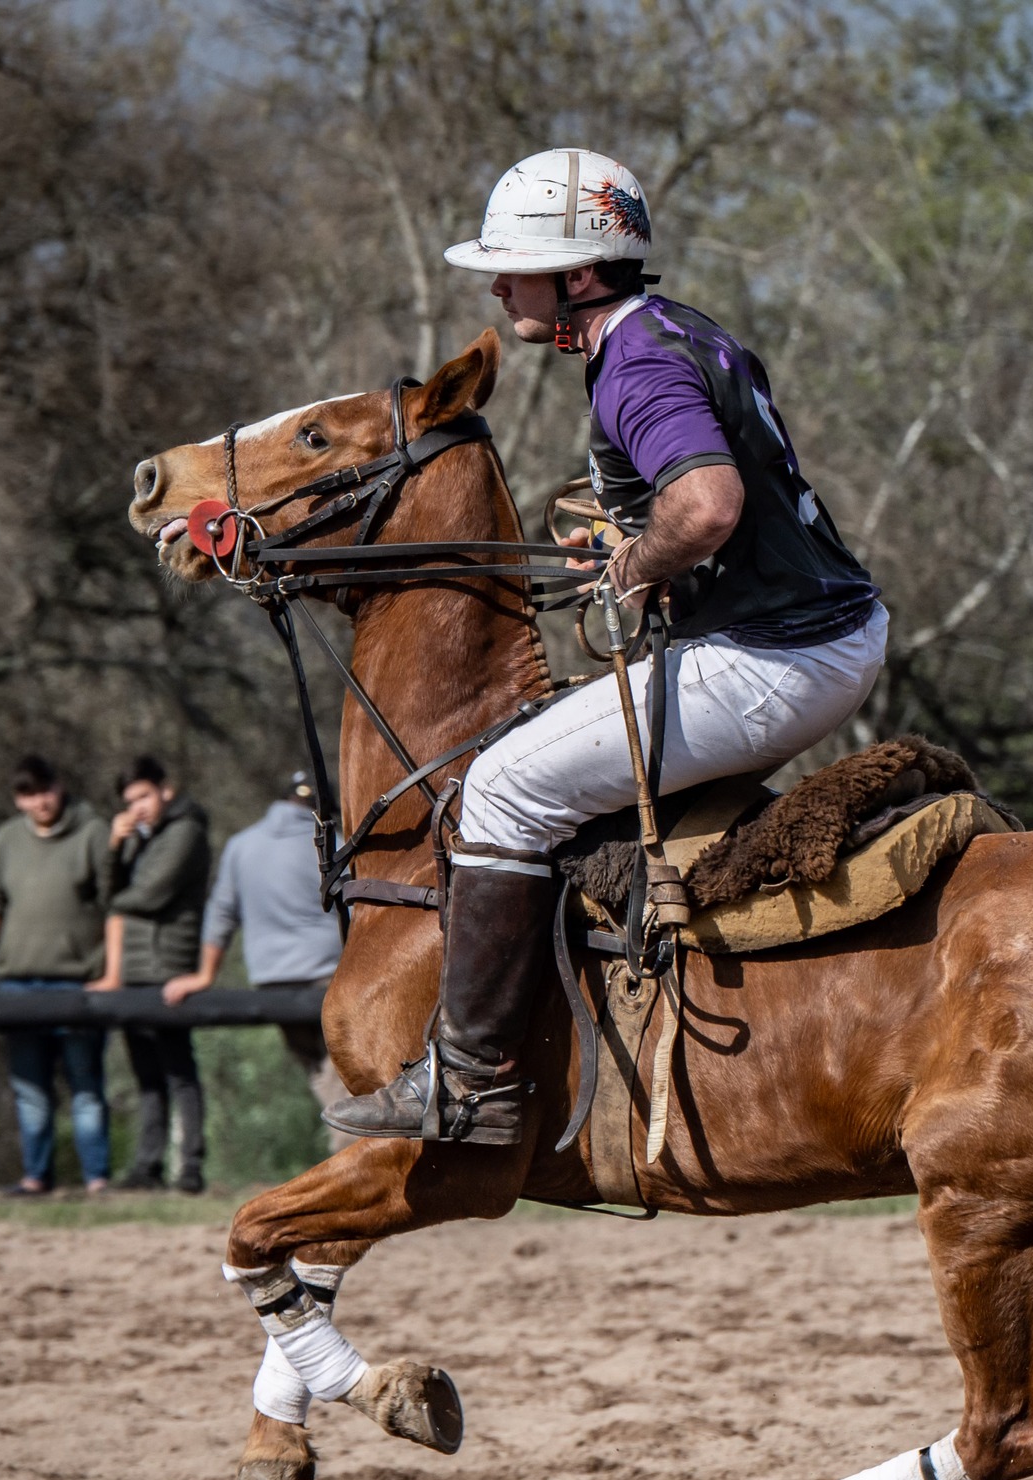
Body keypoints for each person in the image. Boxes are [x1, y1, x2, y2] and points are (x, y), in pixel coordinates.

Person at [326, 148, 888, 1147]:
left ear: (580, 277)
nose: (498, 285)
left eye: (515, 266)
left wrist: (638, 559)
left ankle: (473, 1085)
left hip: (779, 653)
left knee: (499, 789)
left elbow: (707, 505)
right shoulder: (683, 331)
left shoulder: (632, 360)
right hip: (817, 630)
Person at [0, 757, 115, 1196]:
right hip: (17, 984)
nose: (39, 801)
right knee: (29, 1091)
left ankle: (97, 1178)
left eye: (45, 789)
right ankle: (34, 1177)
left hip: (78, 982)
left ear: (59, 786)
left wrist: (113, 971)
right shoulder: (5, 839)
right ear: (16, 798)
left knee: (86, 1087)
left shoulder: (93, 832)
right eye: (27, 794)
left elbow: (115, 906)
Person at [163, 772, 350, 1148]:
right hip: (329, 977)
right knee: (341, 1067)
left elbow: (221, 914)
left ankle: (347, 1149)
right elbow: (361, 908)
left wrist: (203, 975)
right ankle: (351, 1151)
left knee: (317, 1066)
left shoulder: (240, 845)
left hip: (272, 983)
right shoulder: (334, 843)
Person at [92, 756, 211, 1194]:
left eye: (143, 796)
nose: (137, 807)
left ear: (166, 789)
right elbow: (110, 892)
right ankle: (147, 1166)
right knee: (146, 1074)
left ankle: (191, 1165)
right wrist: (113, 847)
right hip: (134, 970)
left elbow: (148, 896)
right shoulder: (142, 838)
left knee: (179, 1071)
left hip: (168, 967)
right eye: (130, 801)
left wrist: (117, 899)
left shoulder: (187, 833)